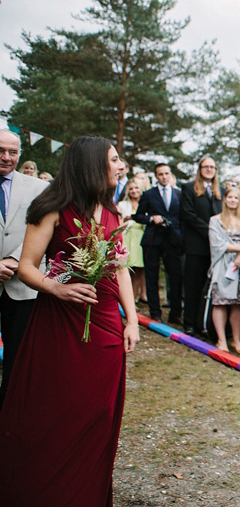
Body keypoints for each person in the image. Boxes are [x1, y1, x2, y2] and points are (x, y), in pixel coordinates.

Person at [0, 136, 140, 505]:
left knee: (99, 412)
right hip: (61, 324)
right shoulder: (51, 208)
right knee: (57, 410)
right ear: (93, 164)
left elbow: (121, 269)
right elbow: (28, 268)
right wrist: (57, 289)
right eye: (114, 159)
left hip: (108, 324)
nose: (120, 164)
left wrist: (132, 321)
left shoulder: (111, 213)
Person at [0, 130, 49, 409]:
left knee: (18, 356)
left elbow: (45, 230)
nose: (6, 157)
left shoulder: (37, 188)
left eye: (13, 152)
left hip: (22, 285)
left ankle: (8, 412)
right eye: (0, 150)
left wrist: (17, 261)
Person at [134, 162, 183, 323]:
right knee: (151, 276)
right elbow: (138, 216)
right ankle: (155, 312)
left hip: (173, 240)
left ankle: (175, 313)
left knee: (175, 277)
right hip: (153, 240)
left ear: (170, 174)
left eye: (166, 173)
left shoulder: (179, 194)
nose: (164, 177)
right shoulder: (148, 194)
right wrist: (151, 218)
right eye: (160, 174)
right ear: (156, 176)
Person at [180, 157, 222, 335]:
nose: (209, 169)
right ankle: (189, 322)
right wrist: (210, 231)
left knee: (210, 286)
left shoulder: (221, 191)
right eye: (206, 166)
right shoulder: (189, 188)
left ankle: (203, 324)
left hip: (216, 248)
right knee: (192, 285)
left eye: (212, 167)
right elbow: (187, 215)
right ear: (199, 169)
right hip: (196, 244)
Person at [207, 186, 240, 354]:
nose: (233, 200)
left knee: (238, 303)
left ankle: (236, 340)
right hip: (223, 264)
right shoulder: (215, 220)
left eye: (236, 198)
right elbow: (217, 244)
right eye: (230, 197)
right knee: (220, 302)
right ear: (224, 199)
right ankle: (221, 340)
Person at [117, 177, 148, 304]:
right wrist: (128, 219)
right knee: (126, 270)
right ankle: (122, 300)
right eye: (131, 189)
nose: (134, 191)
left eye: (136, 188)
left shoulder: (147, 204)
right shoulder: (122, 205)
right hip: (128, 238)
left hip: (142, 239)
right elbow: (118, 224)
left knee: (139, 271)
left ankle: (133, 300)